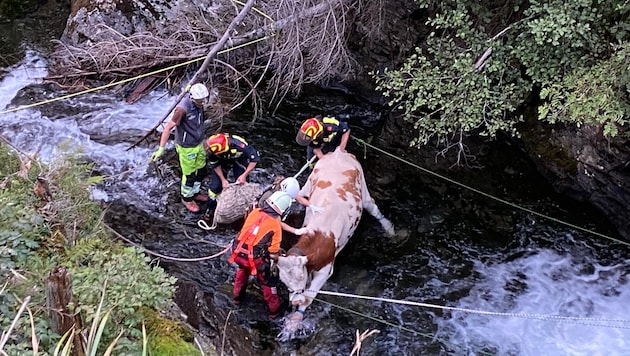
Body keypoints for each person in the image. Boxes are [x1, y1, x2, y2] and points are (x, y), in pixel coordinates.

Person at [228, 191, 307, 319]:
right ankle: (274, 312)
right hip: (254, 260)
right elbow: (274, 252)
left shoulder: (255, 212)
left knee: (242, 272)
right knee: (268, 283)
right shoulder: (275, 225)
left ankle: (237, 298)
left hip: (237, 253)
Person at [151, 83, 217, 213]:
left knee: (202, 170)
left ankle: (195, 192)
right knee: (190, 175)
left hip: (198, 143)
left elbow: (188, 90)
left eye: (204, 100)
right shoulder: (182, 109)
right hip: (187, 147)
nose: (203, 102)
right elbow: (168, 128)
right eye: (200, 100)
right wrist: (161, 148)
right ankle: (187, 198)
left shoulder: (198, 103)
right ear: (193, 99)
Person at [203, 133, 260, 214]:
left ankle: (243, 208)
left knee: (242, 184)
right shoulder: (211, 150)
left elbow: (254, 159)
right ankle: (210, 209)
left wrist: (244, 175)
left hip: (239, 160)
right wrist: (223, 180)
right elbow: (215, 164)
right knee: (215, 188)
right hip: (222, 161)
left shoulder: (241, 146)